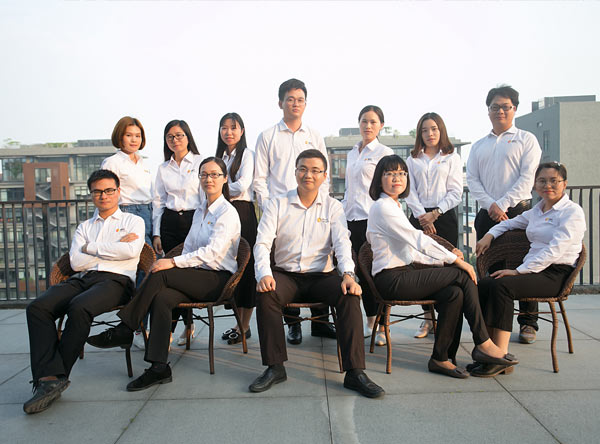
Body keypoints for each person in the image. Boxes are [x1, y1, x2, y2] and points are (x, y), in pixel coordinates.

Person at [86, 158, 241, 390]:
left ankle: (126, 327)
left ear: (225, 178)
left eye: (214, 174)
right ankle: (159, 367)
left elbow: (212, 253)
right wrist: (177, 264)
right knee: (162, 297)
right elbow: (189, 247)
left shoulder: (227, 212)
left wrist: (172, 263)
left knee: (161, 273)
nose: (208, 179)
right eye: (203, 174)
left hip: (217, 279)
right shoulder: (200, 210)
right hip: (195, 275)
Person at [249, 149, 384, 398]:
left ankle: (355, 372)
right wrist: (264, 274)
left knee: (349, 296)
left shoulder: (333, 207)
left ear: (324, 176)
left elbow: (342, 243)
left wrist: (348, 275)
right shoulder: (277, 204)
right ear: (295, 172)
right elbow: (262, 243)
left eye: (315, 170)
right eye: (302, 169)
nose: (308, 175)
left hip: (322, 276)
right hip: (286, 275)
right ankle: (275, 367)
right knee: (266, 295)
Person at [367, 155, 517, 378]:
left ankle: (442, 357)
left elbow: (411, 252)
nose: (396, 178)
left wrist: (445, 258)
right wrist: (455, 261)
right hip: (390, 279)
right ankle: (483, 342)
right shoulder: (383, 207)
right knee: (462, 275)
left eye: (401, 173)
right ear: (379, 180)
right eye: (389, 174)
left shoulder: (395, 205)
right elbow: (418, 239)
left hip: (403, 272)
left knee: (454, 293)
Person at [23, 169, 145, 414]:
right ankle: (49, 378)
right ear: (91, 195)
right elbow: (77, 262)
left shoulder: (133, 222)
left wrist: (91, 248)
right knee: (37, 308)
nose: (103, 196)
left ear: (118, 192)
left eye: (109, 190)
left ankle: (55, 376)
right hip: (83, 278)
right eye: (97, 192)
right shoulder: (84, 226)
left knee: (79, 307)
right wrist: (113, 247)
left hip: (117, 281)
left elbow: (131, 252)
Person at [475, 162, 585, 377]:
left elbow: (555, 250)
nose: (547, 185)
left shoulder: (572, 212)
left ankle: (501, 356)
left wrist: (519, 271)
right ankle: (487, 350)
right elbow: (508, 223)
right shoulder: (537, 211)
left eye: (554, 181)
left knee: (502, 286)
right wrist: (489, 235)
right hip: (535, 271)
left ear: (564, 184)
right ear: (535, 185)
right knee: (485, 284)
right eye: (542, 180)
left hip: (556, 273)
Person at [253, 78, 334, 345]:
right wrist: (271, 210)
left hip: (313, 208)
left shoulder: (314, 135)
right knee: (285, 268)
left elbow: (324, 174)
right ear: (280, 103)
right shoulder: (268, 136)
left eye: (300, 100)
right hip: (281, 213)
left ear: (305, 104)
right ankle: (293, 324)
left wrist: (322, 204)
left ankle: (321, 323)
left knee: (318, 258)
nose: (295, 104)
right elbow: (259, 179)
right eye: (290, 99)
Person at [466, 85, 542, 344]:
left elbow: (527, 178)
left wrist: (503, 204)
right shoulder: (479, 145)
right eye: (495, 107)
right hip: (487, 215)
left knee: (525, 265)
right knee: (491, 267)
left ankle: (528, 321)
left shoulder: (526, 140)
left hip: (519, 211)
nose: (500, 111)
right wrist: (492, 206)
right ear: (488, 110)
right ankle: (494, 322)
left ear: (514, 109)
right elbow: (472, 180)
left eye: (505, 106)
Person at [405, 112, 462, 339]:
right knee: (421, 268)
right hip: (418, 218)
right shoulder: (412, 159)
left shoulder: (451, 158)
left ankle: (445, 318)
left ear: (441, 130)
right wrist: (423, 217)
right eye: (425, 130)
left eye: (434, 129)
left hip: (444, 217)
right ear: (420, 134)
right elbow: (409, 191)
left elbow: (456, 192)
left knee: (444, 267)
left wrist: (435, 214)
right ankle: (427, 319)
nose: (430, 134)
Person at [342, 105, 393, 345]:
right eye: (364, 121)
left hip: (373, 220)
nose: (368, 126)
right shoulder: (353, 152)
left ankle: (382, 327)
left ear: (381, 125)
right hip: (351, 219)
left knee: (377, 272)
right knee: (360, 273)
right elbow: (349, 189)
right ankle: (370, 321)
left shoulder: (384, 152)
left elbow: (389, 188)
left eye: (373, 122)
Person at [102, 116, 154, 349]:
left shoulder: (142, 162)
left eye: (138, 135)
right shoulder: (112, 162)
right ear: (119, 137)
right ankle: (136, 327)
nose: (134, 140)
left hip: (148, 213)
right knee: (137, 272)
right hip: (127, 214)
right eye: (129, 135)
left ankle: (138, 325)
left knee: (148, 271)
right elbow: (106, 196)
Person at [153, 120, 203, 345]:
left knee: (188, 273)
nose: (175, 140)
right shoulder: (163, 168)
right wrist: (156, 233)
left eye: (179, 135)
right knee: (170, 275)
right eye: (170, 137)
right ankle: (178, 327)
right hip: (170, 222)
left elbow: (205, 197)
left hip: (193, 220)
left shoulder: (200, 162)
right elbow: (158, 202)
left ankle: (183, 326)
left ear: (188, 137)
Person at [215, 113, 257, 344]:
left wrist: (218, 188)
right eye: (224, 127)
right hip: (223, 212)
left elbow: (242, 185)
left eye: (233, 127)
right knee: (231, 267)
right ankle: (238, 323)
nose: (228, 132)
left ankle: (245, 325)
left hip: (243, 212)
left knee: (246, 266)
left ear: (242, 131)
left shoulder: (247, 155)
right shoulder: (219, 157)